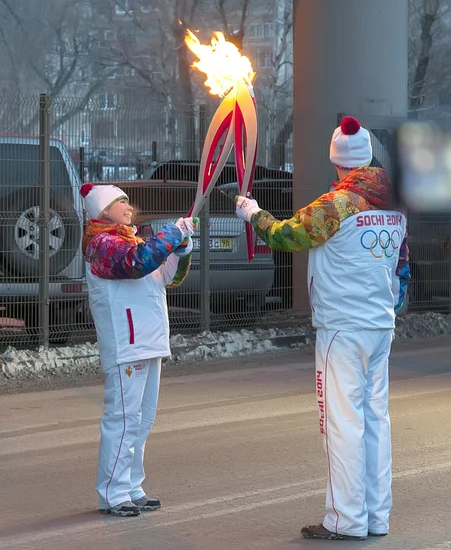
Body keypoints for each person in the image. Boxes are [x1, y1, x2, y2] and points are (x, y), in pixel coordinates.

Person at [235, 117, 410, 541]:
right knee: (375, 420)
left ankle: (344, 520)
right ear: (367, 156)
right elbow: (403, 268)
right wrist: (386, 308)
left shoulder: (337, 205)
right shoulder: (394, 204)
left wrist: (252, 212)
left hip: (342, 329)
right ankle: (375, 516)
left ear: (337, 160)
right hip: (379, 326)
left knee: (341, 423)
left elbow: (286, 235)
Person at [80, 182, 197, 517]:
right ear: (103, 211)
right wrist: (171, 234)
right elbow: (137, 263)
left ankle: (131, 486)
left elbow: (168, 277)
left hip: (148, 342)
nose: (129, 207)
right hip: (126, 344)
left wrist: (181, 248)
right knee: (123, 420)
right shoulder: (102, 245)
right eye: (122, 202)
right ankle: (112, 494)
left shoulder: (134, 240)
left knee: (142, 421)